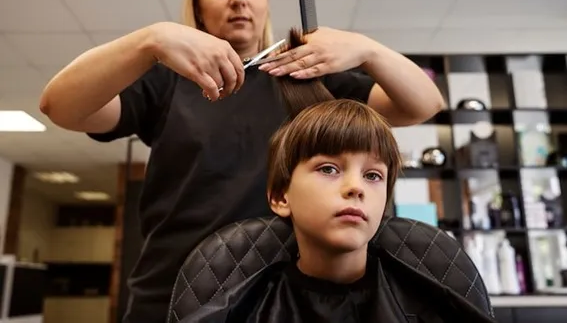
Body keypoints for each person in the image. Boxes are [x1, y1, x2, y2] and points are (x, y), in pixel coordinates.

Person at [38, 0, 445, 322]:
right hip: (172, 294)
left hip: (286, 298)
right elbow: (61, 106)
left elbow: (423, 103)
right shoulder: (166, 82)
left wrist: (367, 50)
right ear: (198, 6)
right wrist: (151, 39)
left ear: (265, 0)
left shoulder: (303, 76)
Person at [181, 99, 495, 323]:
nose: (355, 187)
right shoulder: (240, 310)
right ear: (280, 196)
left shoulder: (435, 304)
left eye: (373, 176)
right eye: (329, 169)